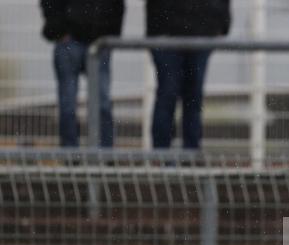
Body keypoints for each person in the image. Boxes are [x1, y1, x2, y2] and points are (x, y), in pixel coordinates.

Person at [145, 0, 231, 149]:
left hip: (199, 32)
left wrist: (222, 23)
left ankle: (188, 157)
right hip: (167, 33)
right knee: (169, 94)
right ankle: (161, 157)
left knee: (192, 97)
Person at [40, 0, 125, 147]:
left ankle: (104, 158)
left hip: (99, 42)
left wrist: (110, 34)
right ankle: (71, 159)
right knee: (68, 105)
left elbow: (117, 5)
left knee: (102, 104)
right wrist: (59, 30)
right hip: (68, 42)